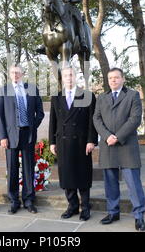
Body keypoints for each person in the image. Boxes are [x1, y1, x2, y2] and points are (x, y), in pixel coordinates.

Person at [92, 67, 145, 231]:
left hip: (126, 145)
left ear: (123, 79)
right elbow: (96, 118)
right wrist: (107, 136)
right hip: (107, 145)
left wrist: (117, 136)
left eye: (116, 78)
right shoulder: (102, 97)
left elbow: (135, 119)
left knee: (133, 184)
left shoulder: (132, 95)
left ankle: (139, 216)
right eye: (110, 78)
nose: (113, 80)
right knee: (110, 183)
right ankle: (113, 212)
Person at [49, 66, 97, 221]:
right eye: (66, 75)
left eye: (71, 75)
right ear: (62, 78)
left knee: (82, 176)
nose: (69, 78)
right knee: (67, 175)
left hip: (82, 143)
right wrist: (52, 142)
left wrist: (91, 140)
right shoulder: (56, 97)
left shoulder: (87, 96)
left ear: (76, 77)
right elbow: (53, 121)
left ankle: (85, 208)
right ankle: (72, 206)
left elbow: (92, 121)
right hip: (63, 142)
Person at [0, 64, 45, 214]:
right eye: (13, 72)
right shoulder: (3, 91)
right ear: (9, 74)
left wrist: (32, 126)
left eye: (18, 72)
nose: (15, 75)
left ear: (22, 74)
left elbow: (40, 112)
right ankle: (14, 200)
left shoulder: (31, 89)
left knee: (28, 168)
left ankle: (29, 200)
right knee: (12, 169)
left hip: (27, 134)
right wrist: (3, 136)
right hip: (10, 136)